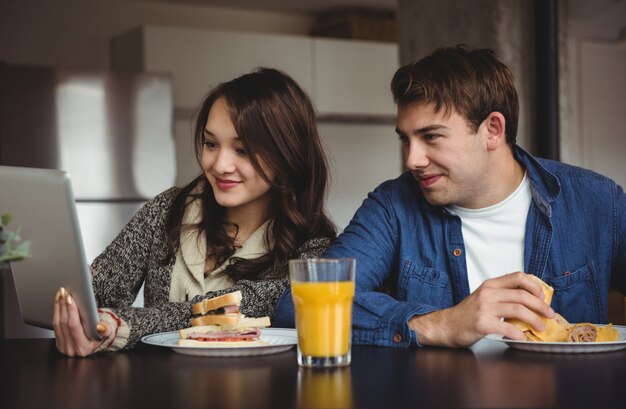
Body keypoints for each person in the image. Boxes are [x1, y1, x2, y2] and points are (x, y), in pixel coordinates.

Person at [274, 45, 626, 348]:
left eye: (431, 137)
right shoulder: (393, 206)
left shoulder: (597, 201)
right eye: (406, 139)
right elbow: (299, 304)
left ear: (492, 130)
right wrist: (441, 323)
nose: (412, 160)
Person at [53, 68, 336, 357]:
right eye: (211, 144)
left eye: (243, 150)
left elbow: (229, 310)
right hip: (161, 393)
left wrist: (122, 325)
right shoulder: (168, 209)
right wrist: (74, 293)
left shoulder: (314, 248)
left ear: (287, 155)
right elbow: (100, 292)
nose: (220, 164)